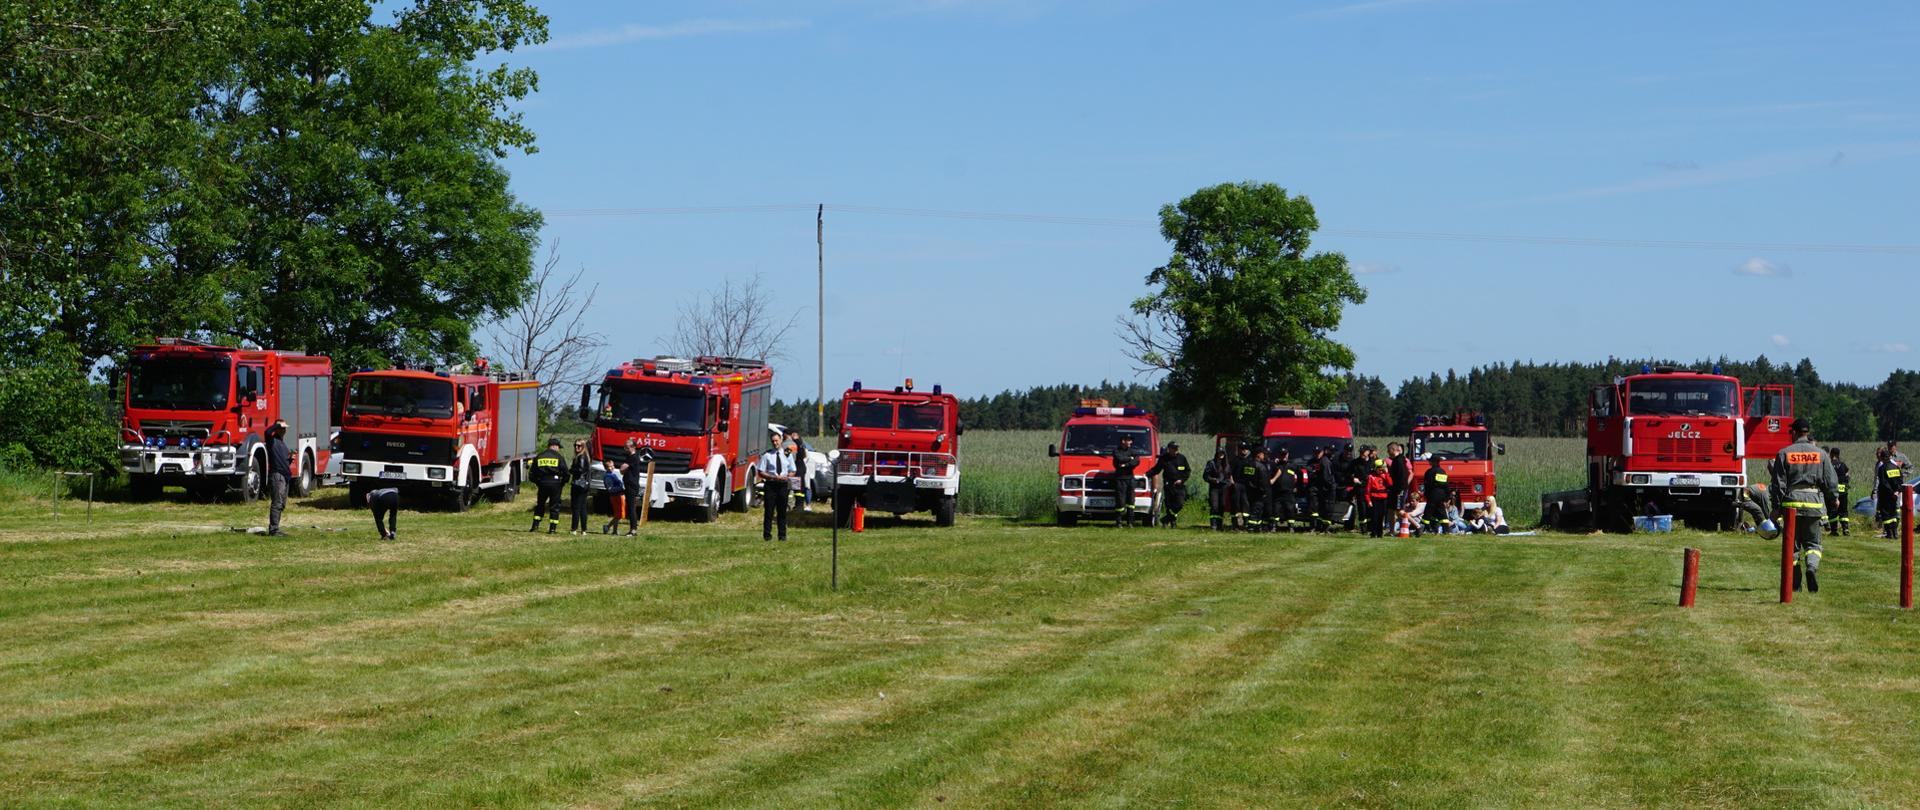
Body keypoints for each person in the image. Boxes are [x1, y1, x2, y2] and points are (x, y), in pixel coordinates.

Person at [1770, 418, 1839, 592]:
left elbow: (1778, 484)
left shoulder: (1784, 453)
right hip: (1813, 504)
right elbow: (1830, 481)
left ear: (1794, 432)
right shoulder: (1821, 454)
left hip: (1791, 504)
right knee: (1813, 544)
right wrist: (1834, 498)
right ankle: (1811, 568)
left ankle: (1795, 581)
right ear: (1807, 432)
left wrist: (1776, 508)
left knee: (1791, 546)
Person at [756, 437, 798, 541]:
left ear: (781, 440)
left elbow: (793, 470)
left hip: (783, 485)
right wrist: (773, 477)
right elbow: (761, 471)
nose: (775, 443)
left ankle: (782, 535)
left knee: (782, 511)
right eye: (773, 441)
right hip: (771, 485)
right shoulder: (767, 455)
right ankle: (767, 535)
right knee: (769, 511)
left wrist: (788, 477)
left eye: (777, 440)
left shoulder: (787, 454)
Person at [1144, 441, 1192, 528]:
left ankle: (1165, 519)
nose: (1176, 449)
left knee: (1180, 503)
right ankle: (1172, 523)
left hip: (1180, 485)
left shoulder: (1182, 458)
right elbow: (1156, 469)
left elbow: (1188, 471)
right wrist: (1146, 474)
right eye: (1174, 448)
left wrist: (1182, 480)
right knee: (1169, 505)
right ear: (1169, 449)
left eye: (1177, 448)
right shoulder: (1164, 458)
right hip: (1169, 485)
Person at [529, 438, 567, 534]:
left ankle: (535, 526)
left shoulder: (540, 456)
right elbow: (566, 473)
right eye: (558, 447)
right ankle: (552, 529)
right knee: (554, 506)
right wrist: (561, 484)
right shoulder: (559, 457)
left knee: (540, 504)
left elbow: (532, 474)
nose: (559, 449)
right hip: (555, 484)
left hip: (542, 483)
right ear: (554, 446)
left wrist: (538, 482)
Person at [265, 419, 291, 537]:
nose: (284, 429)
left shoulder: (282, 443)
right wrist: (276, 425)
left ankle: (276, 528)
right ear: (277, 428)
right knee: (277, 502)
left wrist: (290, 460)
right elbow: (267, 432)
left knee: (282, 504)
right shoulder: (272, 440)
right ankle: (273, 529)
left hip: (285, 477)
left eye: (285, 427)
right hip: (277, 475)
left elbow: (283, 460)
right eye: (282, 427)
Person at [1111, 434, 1143, 528]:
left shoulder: (1133, 451)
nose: (1131, 442)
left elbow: (1137, 461)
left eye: (1131, 440)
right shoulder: (1116, 451)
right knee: (1120, 502)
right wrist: (1130, 459)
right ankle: (1119, 521)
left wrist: (1126, 465)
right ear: (1123, 441)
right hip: (1120, 479)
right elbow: (1119, 459)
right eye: (1129, 440)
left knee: (1131, 502)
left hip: (1130, 479)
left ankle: (1130, 522)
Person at [1876, 447, 1904, 539]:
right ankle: (1895, 533)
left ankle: (1889, 533)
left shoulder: (1882, 468)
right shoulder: (1896, 467)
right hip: (1895, 495)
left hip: (1886, 495)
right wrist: (1897, 491)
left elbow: (1884, 483)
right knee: (1893, 514)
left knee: (1886, 514)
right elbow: (1900, 480)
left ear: (1883, 458)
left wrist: (1891, 492)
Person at [1232, 443, 1261, 531]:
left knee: (1246, 504)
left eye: (1245, 448)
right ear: (1239, 449)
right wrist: (1232, 482)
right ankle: (1235, 524)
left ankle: (1246, 523)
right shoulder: (1235, 460)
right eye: (1242, 448)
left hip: (1246, 486)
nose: (1244, 450)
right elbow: (1230, 472)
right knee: (1236, 504)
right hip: (1237, 484)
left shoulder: (1250, 460)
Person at [1421, 455, 1451, 536]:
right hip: (1441, 496)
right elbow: (1445, 485)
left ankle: (1424, 529)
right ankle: (1446, 530)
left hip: (1433, 495)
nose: (1429, 462)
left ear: (1433, 462)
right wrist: (1448, 496)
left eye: (1430, 461)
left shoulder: (1429, 472)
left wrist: (1426, 495)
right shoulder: (1442, 471)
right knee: (1441, 512)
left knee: (1428, 512)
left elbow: (1428, 485)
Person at [568, 439, 594, 535]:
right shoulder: (586, 457)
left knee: (576, 507)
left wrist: (571, 470)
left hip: (578, 485)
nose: (576, 447)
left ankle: (574, 529)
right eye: (575, 445)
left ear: (583, 447)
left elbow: (580, 470)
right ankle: (584, 530)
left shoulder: (581, 457)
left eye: (579, 446)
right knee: (583, 508)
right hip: (584, 485)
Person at [1203, 447, 1232, 531]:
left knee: (1222, 506)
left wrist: (1228, 483)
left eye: (1222, 453)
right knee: (1214, 506)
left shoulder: (1227, 465)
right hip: (1214, 487)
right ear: (1217, 454)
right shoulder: (1211, 463)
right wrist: (1213, 480)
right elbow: (1205, 476)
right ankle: (1213, 524)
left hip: (1223, 487)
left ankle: (1220, 524)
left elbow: (1229, 476)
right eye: (1219, 453)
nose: (1221, 455)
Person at [621, 438, 646, 537]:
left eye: (626, 447)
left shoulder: (634, 457)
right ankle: (632, 529)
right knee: (630, 507)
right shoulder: (629, 457)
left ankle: (633, 530)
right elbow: (622, 469)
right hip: (628, 484)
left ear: (633, 447)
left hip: (632, 485)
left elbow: (622, 469)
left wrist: (624, 468)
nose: (625, 449)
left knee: (631, 508)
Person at [1269, 449, 1298, 532]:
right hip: (1277, 492)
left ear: (1288, 454)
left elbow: (1300, 474)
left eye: (1285, 454)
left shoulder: (1293, 465)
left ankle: (1291, 527)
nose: (1284, 456)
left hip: (1289, 492)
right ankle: (1274, 526)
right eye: (1282, 454)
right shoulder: (1275, 465)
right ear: (1279, 455)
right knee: (1276, 510)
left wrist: (1298, 486)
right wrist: (1274, 462)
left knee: (1290, 509)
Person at [1827, 447, 1851, 536]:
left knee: (1833, 511)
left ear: (1832, 454)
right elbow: (1847, 476)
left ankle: (1834, 530)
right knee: (1843, 510)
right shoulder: (1843, 465)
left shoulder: (1829, 465)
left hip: (1834, 491)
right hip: (1843, 490)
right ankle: (1845, 529)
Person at [1364, 457, 1391, 537]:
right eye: (1379, 468)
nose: (1380, 470)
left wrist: (1386, 474)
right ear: (1375, 468)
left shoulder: (1385, 475)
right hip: (1375, 499)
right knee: (1374, 516)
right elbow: (1367, 491)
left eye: (1382, 468)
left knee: (1381, 516)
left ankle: (1380, 533)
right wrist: (1368, 501)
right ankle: (1373, 532)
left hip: (1383, 499)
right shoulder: (1371, 477)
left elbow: (1390, 484)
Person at [787, 429, 813, 511]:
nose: (792, 436)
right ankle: (799, 505)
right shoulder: (801, 444)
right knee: (799, 488)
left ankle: (797, 505)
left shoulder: (796, 444)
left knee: (796, 488)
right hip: (800, 467)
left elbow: (791, 454)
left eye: (794, 435)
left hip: (797, 467)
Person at [1386, 442, 1412, 512]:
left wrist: (1400, 489)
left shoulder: (1399, 461)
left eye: (1389, 450)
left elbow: (1402, 476)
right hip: (1395, 489)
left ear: (1393, 449)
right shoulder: (1395, 460)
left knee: (1400, 511)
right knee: (1391, 509)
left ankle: (1411, 522)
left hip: (1400, 489)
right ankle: (1392, 523)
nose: (1387, 452)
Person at [602, 459, 625, 535]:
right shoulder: (608, 476)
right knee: (619, 515)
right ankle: (607, 527)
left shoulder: (613, 474)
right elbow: (610, 489)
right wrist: (622, 488)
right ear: (605, 468)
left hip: (618, 496)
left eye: (612, 466)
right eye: (609, 467)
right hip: (615, 496)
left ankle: (614, 531)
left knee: (618, 514)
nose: (612, 468)